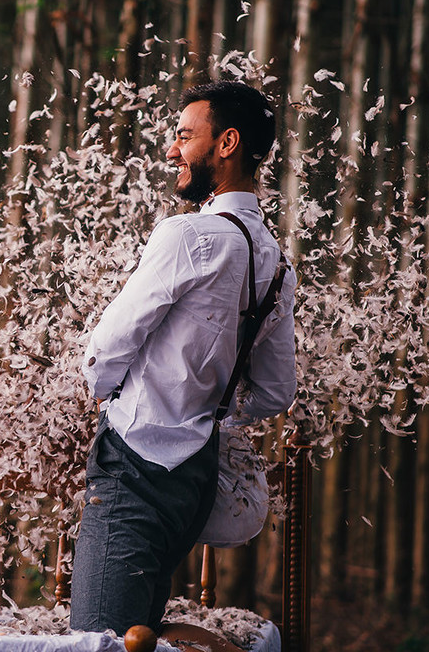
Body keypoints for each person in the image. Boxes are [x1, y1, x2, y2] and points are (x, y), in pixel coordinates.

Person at [68, 81, 297, 635]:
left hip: (134, 463)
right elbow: (276, 391)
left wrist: (106, 399)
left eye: (185, 136)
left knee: (99, 640)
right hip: (195, 475)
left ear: (227, 143)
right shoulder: (276, 261)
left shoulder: (188, 235)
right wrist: (207, 408)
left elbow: (105, 349)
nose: (172, 150)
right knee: (138, 635)